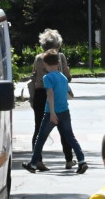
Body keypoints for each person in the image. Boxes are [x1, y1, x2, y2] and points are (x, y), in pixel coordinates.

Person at [24, 50, 87, 174]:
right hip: (65, 111)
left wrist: (52, 112)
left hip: (51, 113)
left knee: (41, 138)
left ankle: (32, 164)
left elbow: (50, 95)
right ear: (59, 63)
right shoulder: (63, 78)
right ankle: (81, 161)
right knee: (70, 137)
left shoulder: (47, 78)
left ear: (45, 65)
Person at [29, 29, 73, 170]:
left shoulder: (38, 58)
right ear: (57, 44)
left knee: (39, 127)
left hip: (40, 94)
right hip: (57, 94)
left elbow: (34, 77)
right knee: (63, 127)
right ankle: (68, 159)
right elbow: (67, 77)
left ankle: (38, 160)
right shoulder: (60, 57)